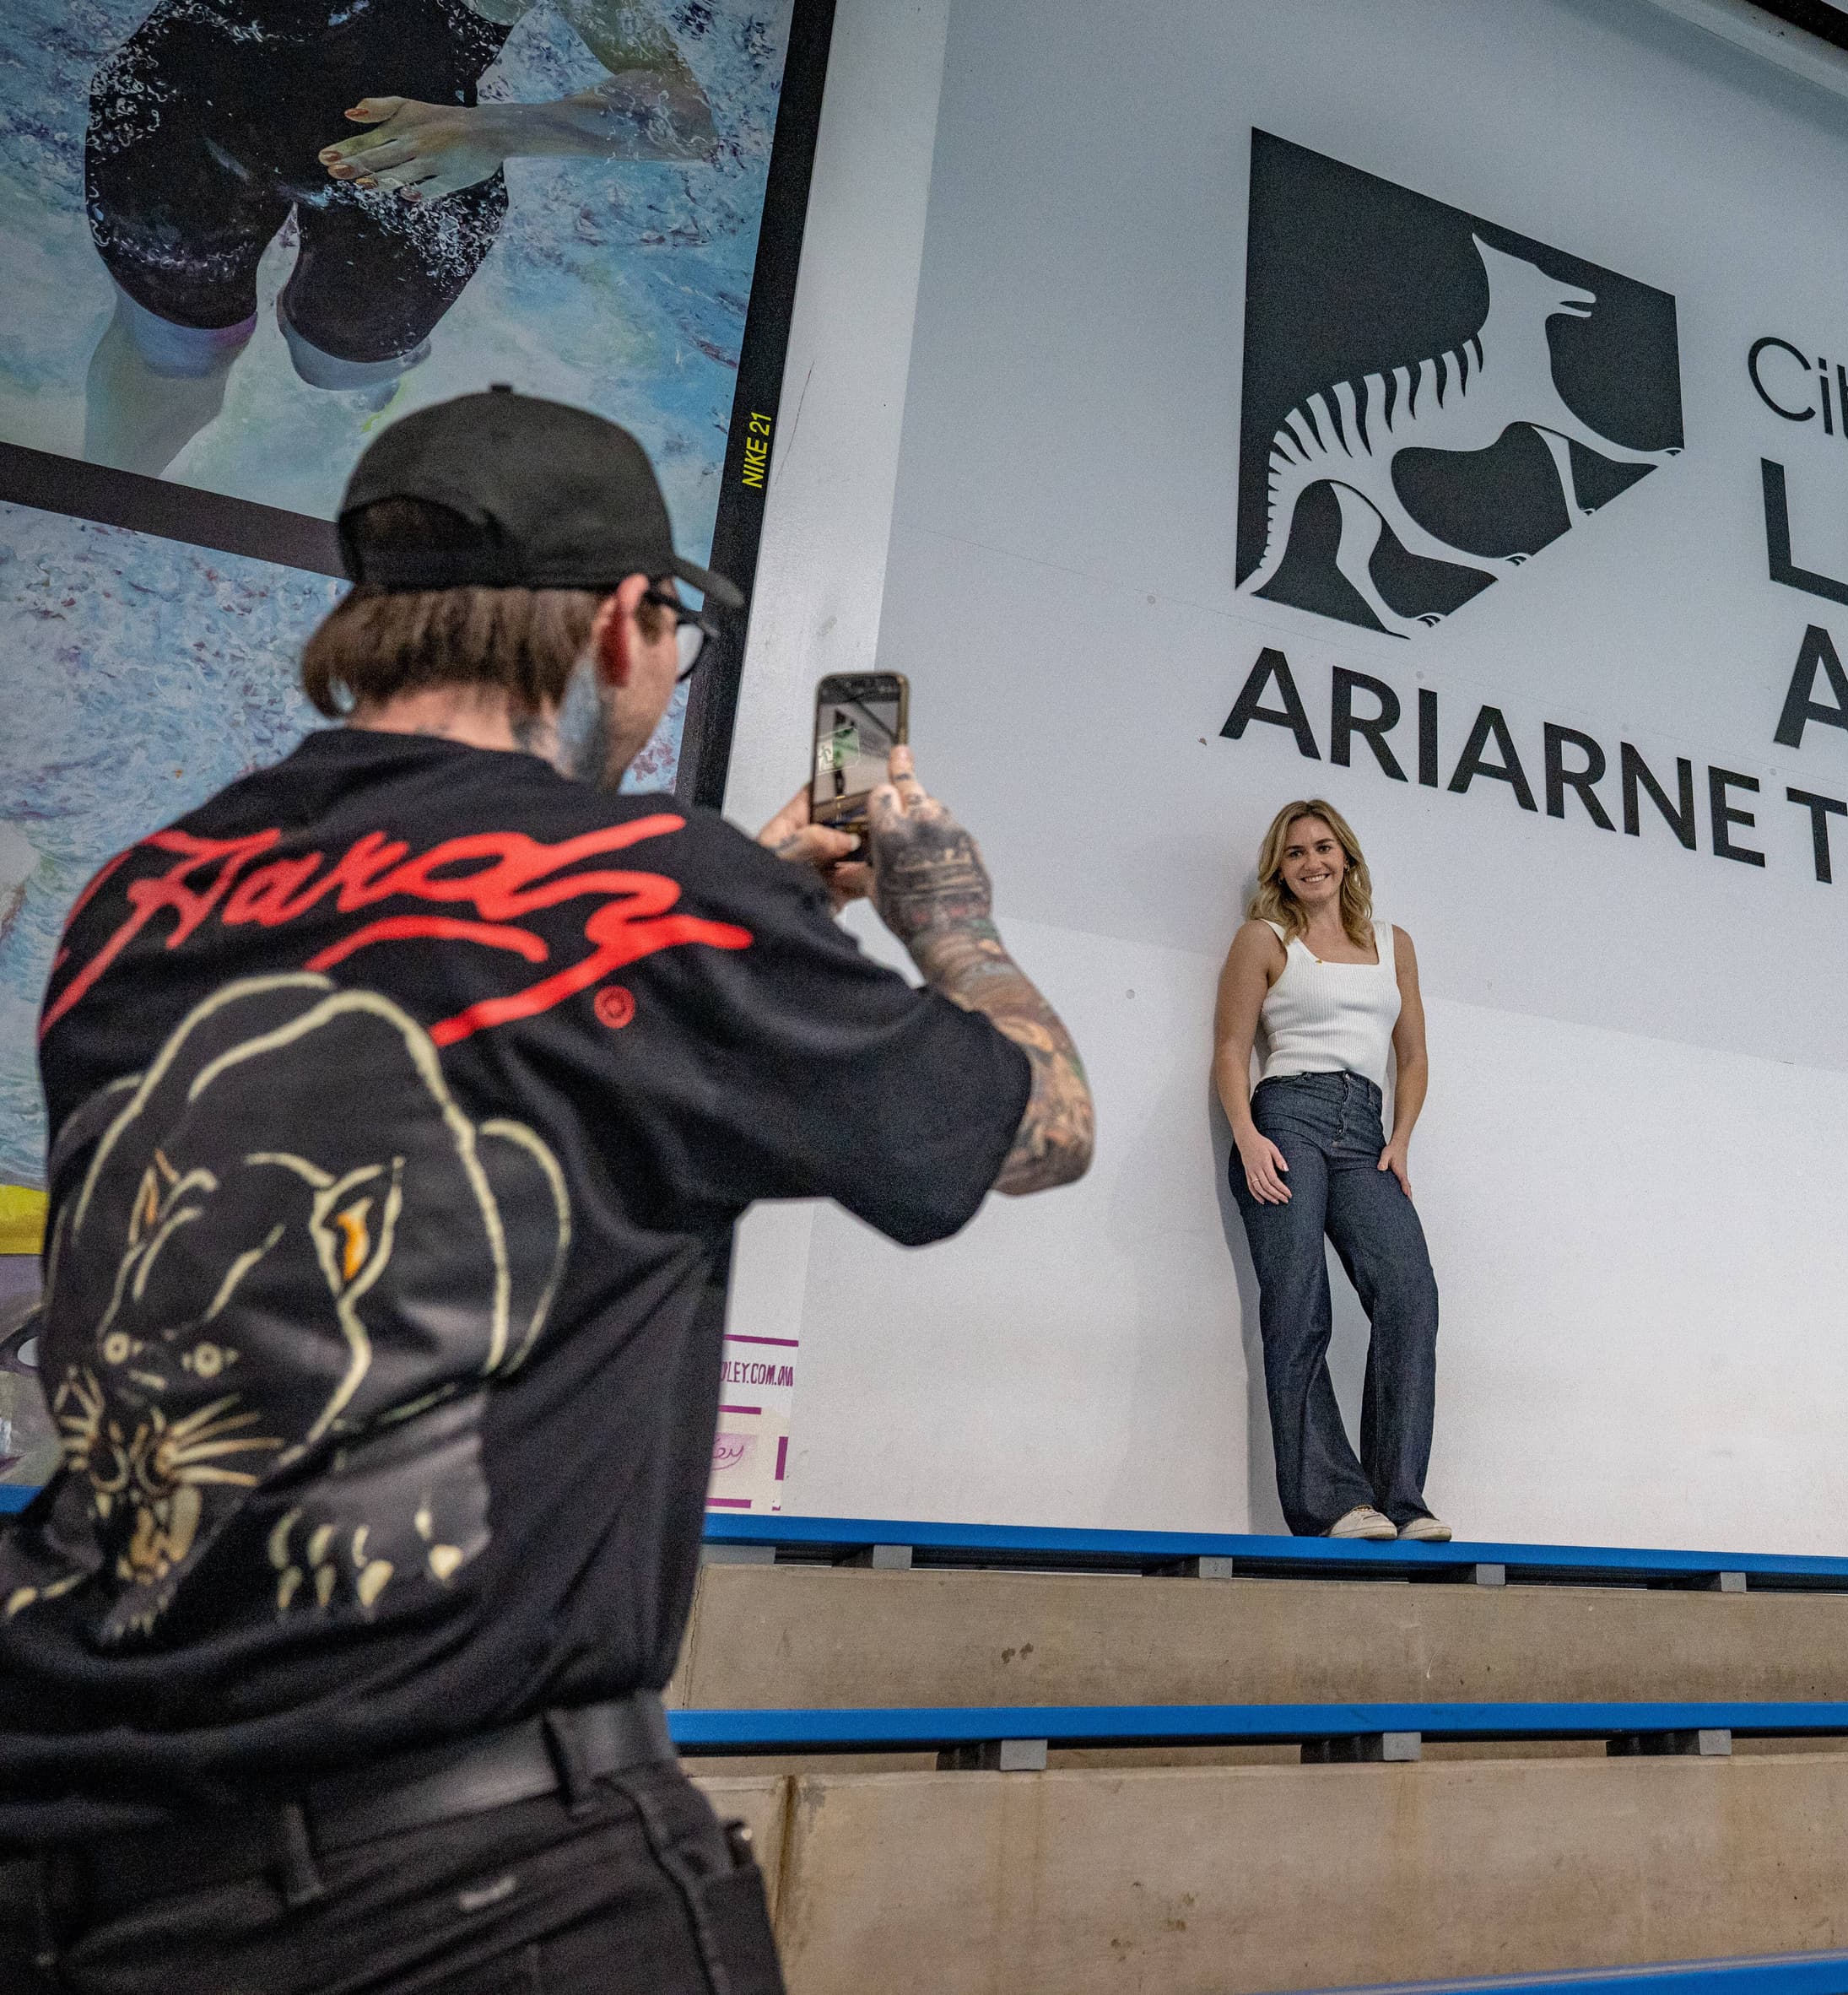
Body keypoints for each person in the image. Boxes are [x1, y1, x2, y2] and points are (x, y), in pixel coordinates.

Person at [0, 388, 1091, 1993]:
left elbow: (466, 995)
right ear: (627, 625)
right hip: (472, 1892)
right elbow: (1032, 1125)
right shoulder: (653, 898)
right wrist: (947, 906)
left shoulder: (136, 896)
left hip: (78, 1876)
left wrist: (741, 905)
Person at [83, 0, 721, 474]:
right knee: (169, 361)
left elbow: (686, 118)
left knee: (339, 378)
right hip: (185, 118)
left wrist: (496, 130)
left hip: (414, 166)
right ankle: (92, 529)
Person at [1212, 801, 1446, 1543]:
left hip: (1364, 1131)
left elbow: (1412, 1055)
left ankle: (1401, 1501)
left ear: (1345, 856)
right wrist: (1246, 1134)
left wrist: (1401, 1139)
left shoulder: (1392, 943)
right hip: (1286, 1118)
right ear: (1278, 869)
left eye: (1323, 847)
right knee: (1299, 1306)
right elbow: (1229, 1048)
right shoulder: (1265, 939)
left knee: (1409, 1294)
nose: (1311, 862)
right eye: (1294, 853)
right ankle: (1333, 1504)